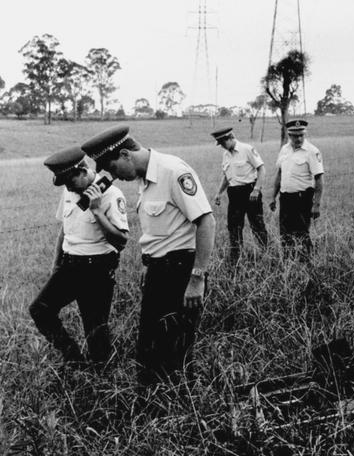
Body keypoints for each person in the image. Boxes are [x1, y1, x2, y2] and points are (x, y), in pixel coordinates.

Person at [81, 125, 215, 386]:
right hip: (158, 270)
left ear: (125, 155)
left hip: (180, 270)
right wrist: (148, 264)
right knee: (149, 347)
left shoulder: (173, 171)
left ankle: (180, 411)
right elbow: (159, 230)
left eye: (115, 169)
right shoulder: (144, 179)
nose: (115, 177)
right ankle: (153, 410)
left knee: (176, 348)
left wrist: (197, 278)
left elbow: (206, 222)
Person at [30, 146, 129, 368]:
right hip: (69, 265)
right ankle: (74, 360)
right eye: (64, 183)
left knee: (95, 330)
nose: (67, 188)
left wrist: (96, 210)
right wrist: (56, 265)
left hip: (97, 268)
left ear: (83, 171)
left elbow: (121, 242)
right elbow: (64, 229)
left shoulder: (112, 195)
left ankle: (101, 380)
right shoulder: (70, 191)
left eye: (70, 181)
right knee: (40, 310)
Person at [210, 127, 267, 264]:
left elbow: (261, 169)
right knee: (234, 225)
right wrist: (219, 193)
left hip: (250, 191)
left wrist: (257, 189)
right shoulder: (226, 155)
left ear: (230, 138)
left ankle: (265, 253)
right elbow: (226, 176)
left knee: (257, 224)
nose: (222, 147)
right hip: (234, 193)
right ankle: (236, 256)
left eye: (223, 143)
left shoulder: (247, 149)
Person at [269, 119, 324, 261]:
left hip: (303, 198)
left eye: (301, 135)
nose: (298, 138)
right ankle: (288, 261)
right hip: (285, 198)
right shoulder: (284, 149)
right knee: (285, 233)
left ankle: (308, 261)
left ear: (304, 134)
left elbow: (319, 179)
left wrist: (316, 205)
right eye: (294, 135)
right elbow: (280, 174)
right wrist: (273, 197)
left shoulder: (312, 151)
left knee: (302, 232)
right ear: (289, 135)